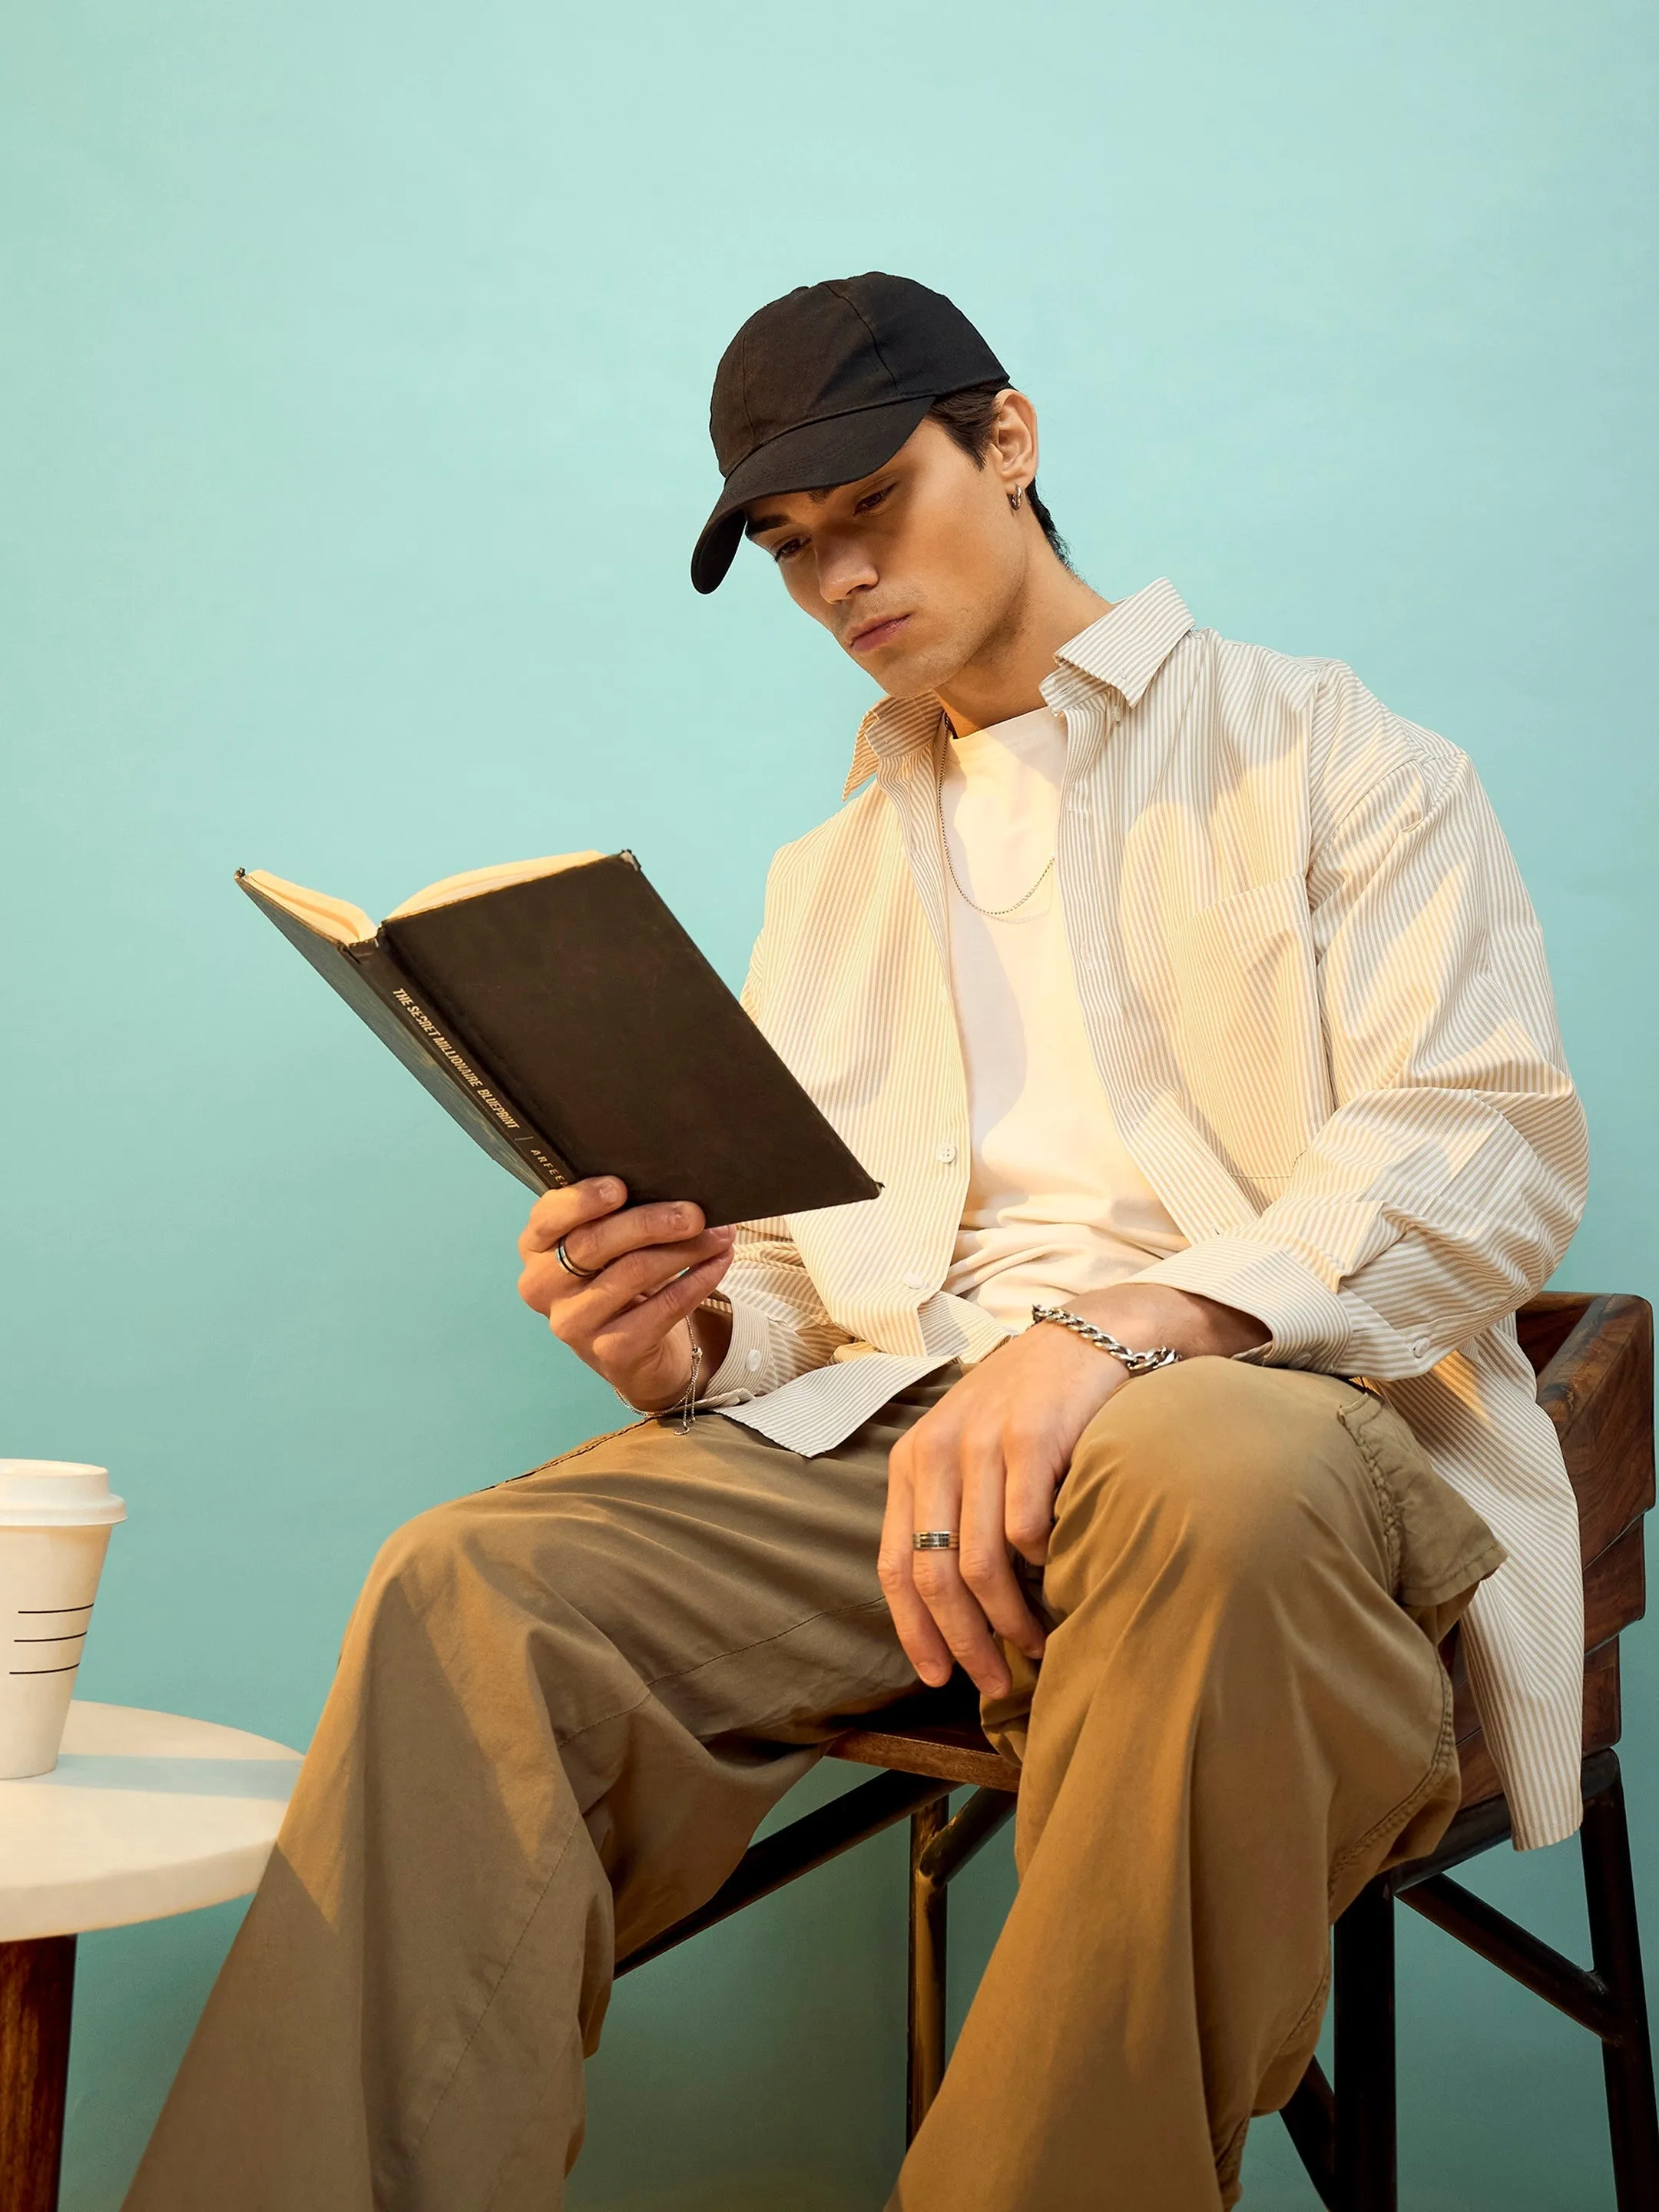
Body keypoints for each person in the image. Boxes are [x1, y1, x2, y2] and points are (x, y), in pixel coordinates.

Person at [125, 273, 1588, 2211]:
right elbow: (816, 1291)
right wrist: (691, 1346)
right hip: (922, 1464)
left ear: (1009, 441)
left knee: (1206, 1475)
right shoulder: (832, 878)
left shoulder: (1330, 758)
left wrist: (1127, 1329)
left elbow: (1480, 1138)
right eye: (795, 551)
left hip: (1263, 1434)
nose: (839, 586)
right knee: (472, 1587)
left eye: (870, 508)